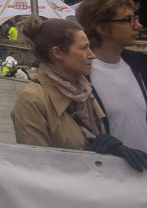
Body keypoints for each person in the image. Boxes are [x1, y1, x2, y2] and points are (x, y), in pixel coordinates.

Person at [11, 17, 147, 171]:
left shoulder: (84, 89)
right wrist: (89, 156)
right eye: (84, 48)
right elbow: (37, 168)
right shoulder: (33, 100)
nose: (92, 55)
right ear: (57, 53)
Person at [76, 0, 147, 152]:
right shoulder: (79, 73)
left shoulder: (141, 64)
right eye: (128, 20)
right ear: (103, 28)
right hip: (110, 172)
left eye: (135, 18)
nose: (138, 25)